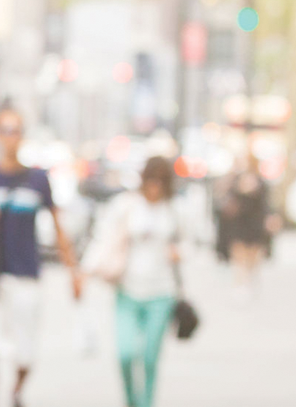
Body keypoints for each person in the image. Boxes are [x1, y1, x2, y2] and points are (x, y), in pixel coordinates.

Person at [0, 105, 82, 407]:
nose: (9, 137)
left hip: (26, 274)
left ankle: (15, 391)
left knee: (26, 352)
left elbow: (57, 227)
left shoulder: (37, 179)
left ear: (22, 136)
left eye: (15, 130)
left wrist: (73, 271)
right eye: (4, 129)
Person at [86, 156, 183, 407]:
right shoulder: (127, 205)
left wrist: (179, 253)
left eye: (161, 181)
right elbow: (103, 236)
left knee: (150, 358)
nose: (155, 186)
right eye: (152, 180)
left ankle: (146, 403)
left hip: (162, 292)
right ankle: (132, 401)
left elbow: (189, 243)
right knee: (126, 354)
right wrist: (87, 269)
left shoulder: (173, 209)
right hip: (128, 289)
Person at [218, 153, 273, 293]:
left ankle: (250, 279)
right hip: (239, 223)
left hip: (255, 223)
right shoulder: (234, 180)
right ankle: (241, 283)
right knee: (239, 253)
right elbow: (226, 199)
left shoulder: (261, 182)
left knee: (253, 255)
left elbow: (266, 203)